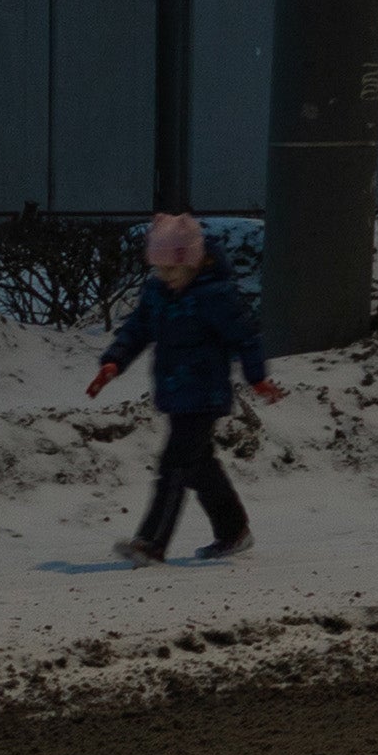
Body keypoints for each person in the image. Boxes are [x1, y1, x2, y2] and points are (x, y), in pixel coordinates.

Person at [82, 209, 282, 562]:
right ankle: (234, 531)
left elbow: (247, 338)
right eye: (158, 269)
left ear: (193, 262)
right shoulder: (157, 293)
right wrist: (114, 361)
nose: (165, 276)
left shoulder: (215, 296)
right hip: (175, 393)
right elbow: (136, 329)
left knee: (174, 466)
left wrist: (257, 378)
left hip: (206, 394)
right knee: (199, 466)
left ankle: (151, 542)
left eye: (171, 269)